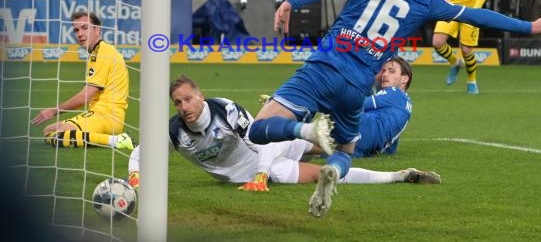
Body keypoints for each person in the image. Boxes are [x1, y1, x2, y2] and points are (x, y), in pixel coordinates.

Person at [247, 0, 541, 218]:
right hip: (357, 86)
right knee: (344, 151)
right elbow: (474, 14)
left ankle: (305, 131)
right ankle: (331, 170)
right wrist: (528, 27)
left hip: (323, 68)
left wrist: (290, 2)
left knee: (257, 130)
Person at [126, 76, 441, 190]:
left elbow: (258, 140)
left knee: (333, 146)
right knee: (324, 174)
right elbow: (143, 150)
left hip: (265, 158)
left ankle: (347, 137)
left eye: (188, 98)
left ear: (200, 95)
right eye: (178, 102)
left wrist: (261, 175)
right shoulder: (175, 130)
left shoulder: (225, 110)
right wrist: (135, 174)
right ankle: (399, 176)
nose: (183, 106)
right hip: (257, 167)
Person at [260, 56, 414, 158]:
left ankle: (289, 107)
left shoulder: (393, 92)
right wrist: (380, 151)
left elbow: (357, 104)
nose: (385, 74)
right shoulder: (406, 104)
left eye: (391, 71)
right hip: (364, 145)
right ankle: (290, 141)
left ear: (404, 79)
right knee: (318, 147)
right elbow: (392, 142)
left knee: (340, 89)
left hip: (364, 128)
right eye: (384, 70)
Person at [32, 12, 133, 150]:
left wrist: (53, 111)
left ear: (97, 30)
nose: (80, 33)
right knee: (49, 130)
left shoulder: (102, 53)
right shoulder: (99, 52)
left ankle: (116, 140)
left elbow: (84, 97)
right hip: (97, 114)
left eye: (85, 28)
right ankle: (112, 138)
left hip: (107, 117)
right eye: (76, 30)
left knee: (58, 136)